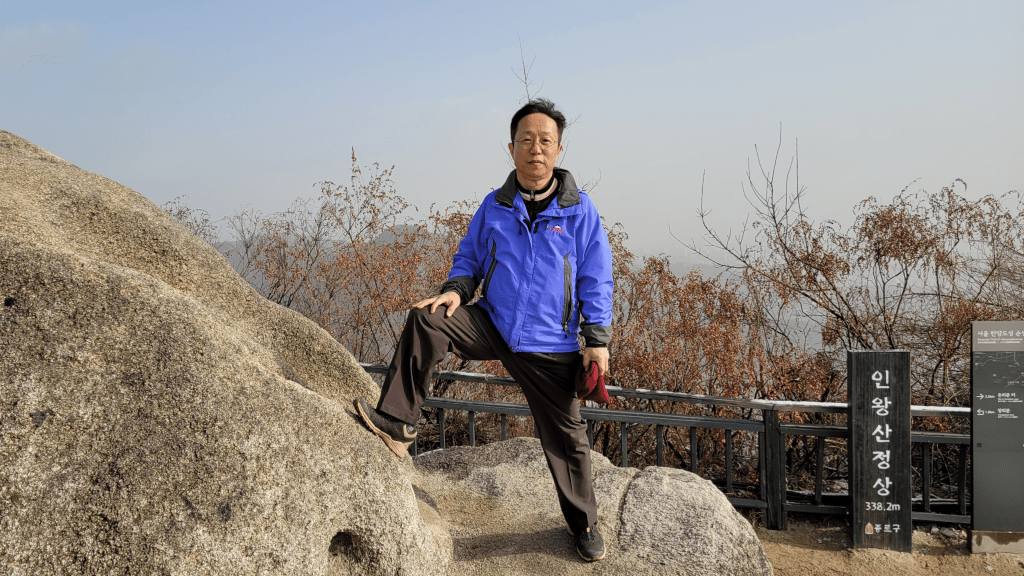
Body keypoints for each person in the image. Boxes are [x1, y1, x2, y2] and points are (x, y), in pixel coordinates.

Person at [354, 98, 613, 562]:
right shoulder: (495, 205)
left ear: (559, 149)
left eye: (545, 141)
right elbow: (470, 257)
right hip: (492, 322)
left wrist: (596, 341)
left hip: (549, 342)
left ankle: (585, 524)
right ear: (511, 148)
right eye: (526, 140)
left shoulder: (580, 211)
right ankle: (397, 422)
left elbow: (596, 277)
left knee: (568, 438)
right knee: (427, 318)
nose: (536, 149)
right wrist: (456, 290)